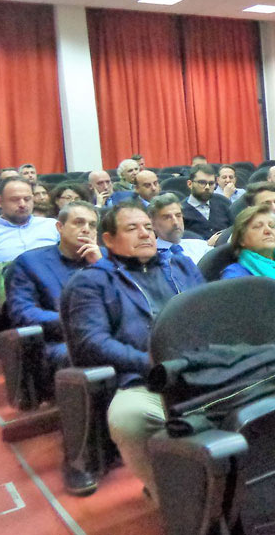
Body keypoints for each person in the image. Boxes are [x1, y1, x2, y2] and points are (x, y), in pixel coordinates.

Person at [61, 201, 203, 500]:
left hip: (205, 364)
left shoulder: (180, 266)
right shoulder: (91, 281)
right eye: (132, 228)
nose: (145, 234)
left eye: (148, 227)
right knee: (129, 418)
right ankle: (173, 501)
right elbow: (92, 342)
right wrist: (150, 363)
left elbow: (211, 310)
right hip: (144, 379)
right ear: (109, 240)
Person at [6, 201, 102, 378]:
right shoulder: (30, 262)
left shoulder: (105, 259)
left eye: (92, 225)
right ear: (60, 227)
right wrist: (74, 322)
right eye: (79, 223)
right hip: (60, 340)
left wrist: (102, 266)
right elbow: (23, 313)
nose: (86, 229)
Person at [0, 177, 60, 281]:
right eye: (15, 200)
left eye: (27, 199)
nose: (22, 204)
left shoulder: (52, 225)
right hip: (9, 284)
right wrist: (15, 268)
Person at [148, 194, 213, 264]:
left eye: (178, 216)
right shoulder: (149, 255)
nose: (175, 222)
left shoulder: (201, 246)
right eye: (167, 217)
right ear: (153, 224)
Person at [181, 164, 232, 239]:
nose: (207, 187)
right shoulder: (181, 211)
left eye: (211, 183)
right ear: (190, 184)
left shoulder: (223, 203)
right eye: (202, 183)